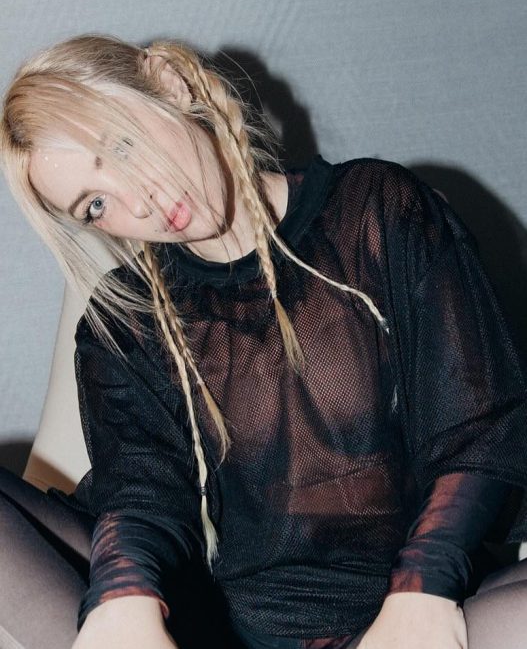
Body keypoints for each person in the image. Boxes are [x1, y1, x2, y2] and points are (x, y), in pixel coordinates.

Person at [1, 33, 527, 649]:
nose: (137, 203)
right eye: (94, 205)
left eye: (121, 144)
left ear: (170, 84)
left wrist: (423, 591)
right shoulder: (126, 318)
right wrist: (123, 594)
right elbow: (144, 489)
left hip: (406, 599)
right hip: (220, 628)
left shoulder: (375, 211)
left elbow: (479, 426)